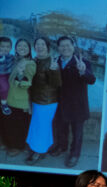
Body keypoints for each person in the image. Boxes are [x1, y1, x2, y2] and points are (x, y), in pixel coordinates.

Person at [50, 37, 96, 169]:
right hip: (60, 103)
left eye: (68, 45)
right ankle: (62, 147)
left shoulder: (83, 62)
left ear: (73, 46)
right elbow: (51, 83)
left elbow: (92, 80)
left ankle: (75, 154)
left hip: (77, 104)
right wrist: (51, 71)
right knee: (61, 128)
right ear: (58, 48)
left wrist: (83, 71)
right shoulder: (55, 61)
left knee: (77, 132)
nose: (65, 48)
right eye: (62, 46)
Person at [25, 37, 61, 165]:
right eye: (37, 44)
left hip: (47, 101)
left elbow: (56, 84)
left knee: (42, 127)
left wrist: (54, 71)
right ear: (34, 47)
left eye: (42, 44)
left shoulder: (52, 62)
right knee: (39, 126)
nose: (39, 46)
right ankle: (41, 148)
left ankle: (38, 152)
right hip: (36, 100)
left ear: (47, 47)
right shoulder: (34, 60)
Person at [0, 39, 35, 156]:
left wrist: (20, 75)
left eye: (25, 46)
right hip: (9, 98)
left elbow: (27, 83)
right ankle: (8, 143)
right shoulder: (14, 60)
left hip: (20, 101)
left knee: (18, 125)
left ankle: (18, 146)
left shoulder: (30, 63)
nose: (22, 48)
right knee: (9, 124)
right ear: (15, 48)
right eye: (19, 45)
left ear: (29, 49)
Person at [0, 37, 13, 116]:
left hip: (7, 75)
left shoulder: (11, 56)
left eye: (7, 47)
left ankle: (4, 102)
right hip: (1, 76)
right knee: (5, 88)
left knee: (7, 87)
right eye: (2, 46)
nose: (5, 48)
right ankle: (3, 103)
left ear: (11, 48)